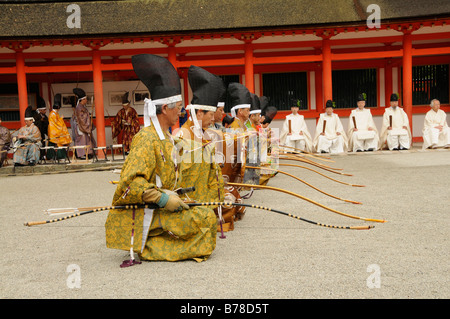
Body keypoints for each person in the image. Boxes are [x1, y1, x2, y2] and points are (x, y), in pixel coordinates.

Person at [105, 54, 218, 264]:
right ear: (165, 108)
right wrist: (163, 199)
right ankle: (149, 246)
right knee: (204, 219)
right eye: (178, 106)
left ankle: (162, 240)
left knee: (206, 215)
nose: (182, 111)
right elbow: (131, 182)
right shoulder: (146, 139)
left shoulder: (165, 137)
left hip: (162, 204)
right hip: (147, 210)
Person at [72, 88, 96, 159]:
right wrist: (87, 115)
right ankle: (81, 154)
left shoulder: (82, 107)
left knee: (87, 140)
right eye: (85, 99)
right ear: (82, 100)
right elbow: (81, 118)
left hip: (83, 126)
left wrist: (88, 114)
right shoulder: (79, 108)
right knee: (82, 141)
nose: (86, 100)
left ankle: (87, 153)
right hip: (81, 127)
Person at [47, 94, 72, 161]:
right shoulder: (52, 114)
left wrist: (60, 119)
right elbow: (56, 123)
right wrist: (61, 119)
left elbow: (57, 121)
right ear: (58, 107)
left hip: (55, 130)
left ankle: (55, 156)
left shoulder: (55, 113)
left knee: (55, 143)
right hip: (54, 131)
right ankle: (59, 156)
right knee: (58, 142)